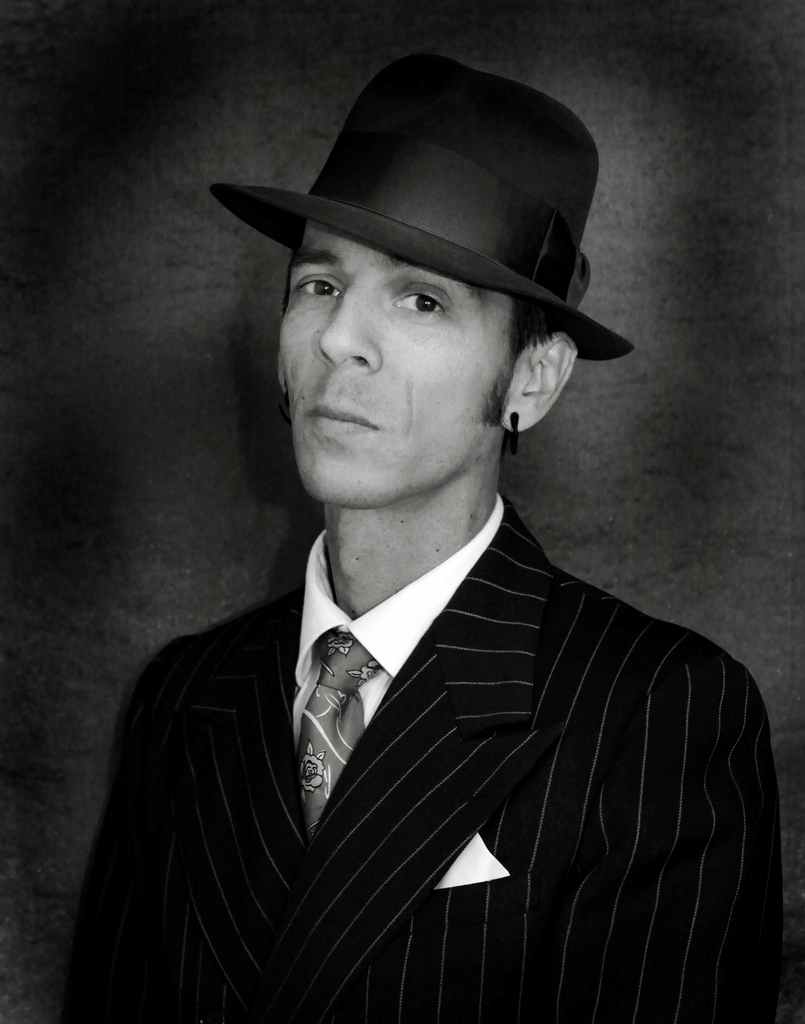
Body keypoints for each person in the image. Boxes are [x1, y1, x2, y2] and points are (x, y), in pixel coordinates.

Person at [63, 54, 781, 1023]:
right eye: (319, 283)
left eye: (421, 300)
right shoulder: (185, 697)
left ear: (532, 379)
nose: (338, 340)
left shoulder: (656, 713)